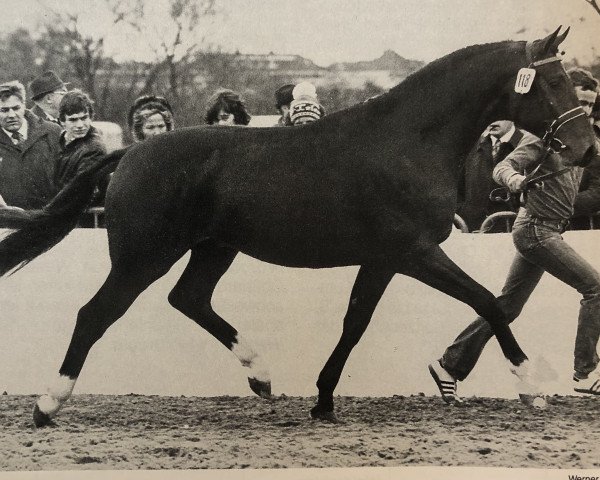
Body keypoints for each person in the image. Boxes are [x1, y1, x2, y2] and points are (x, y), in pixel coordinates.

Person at [429, 69, 600, 403]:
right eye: (580, 103)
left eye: (591, 105)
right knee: (596, 288)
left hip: (543, 229)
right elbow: (502, 168)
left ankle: (449, 365)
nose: (586, 111)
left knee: (506, 307)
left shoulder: (587, 144)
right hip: (536, 230)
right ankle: (586, 373)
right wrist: (516, 182)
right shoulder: (543, 139)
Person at [457, 121, 537, 232]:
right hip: (474, 231)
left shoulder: (531, 144)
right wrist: (465, 212)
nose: (493, 122)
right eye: (491, 117)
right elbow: (457, 186)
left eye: (499, 116)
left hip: (514, 230)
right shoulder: (471, 144)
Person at [0, 80, 63, 209]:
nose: (11, 115)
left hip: (49, 220)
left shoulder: (52, 132)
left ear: (24, 105)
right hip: (7, 222)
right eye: (4, 110)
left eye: (16, 108)